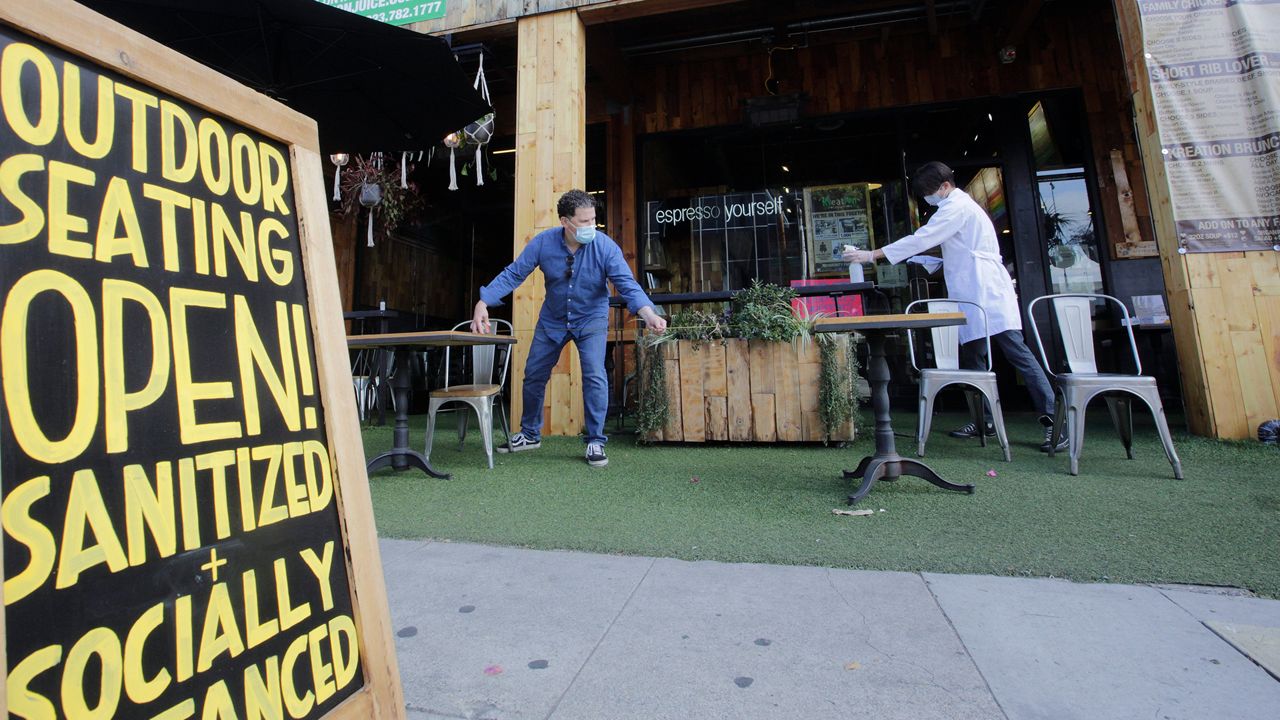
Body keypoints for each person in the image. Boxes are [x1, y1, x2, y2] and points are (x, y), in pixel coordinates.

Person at [842, 161, 1065, 452]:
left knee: (1017, 354)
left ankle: (1055, 426)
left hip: (988, 293)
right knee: (974, 360)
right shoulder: (959, 208)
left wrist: (872, 255)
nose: (928, 200)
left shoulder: (956, 207)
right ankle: (983, 419)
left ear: (945, 186)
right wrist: (932, 262)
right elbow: (958, 249)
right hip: (972, 293)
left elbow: (925, 237)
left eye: (929, 193)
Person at [471, 189, 668, 467]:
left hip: (591, 320)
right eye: (584, 222)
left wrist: (648, 313)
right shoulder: (543, 243)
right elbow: (514, 273)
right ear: (565, 222)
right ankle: (529, 434)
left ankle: (596, 441)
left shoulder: (605, 247)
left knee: (594, 375)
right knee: (533, 375)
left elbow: (627, 284)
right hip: (552, 320)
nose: (591, 227)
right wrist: (484, 301)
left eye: (593, 220)